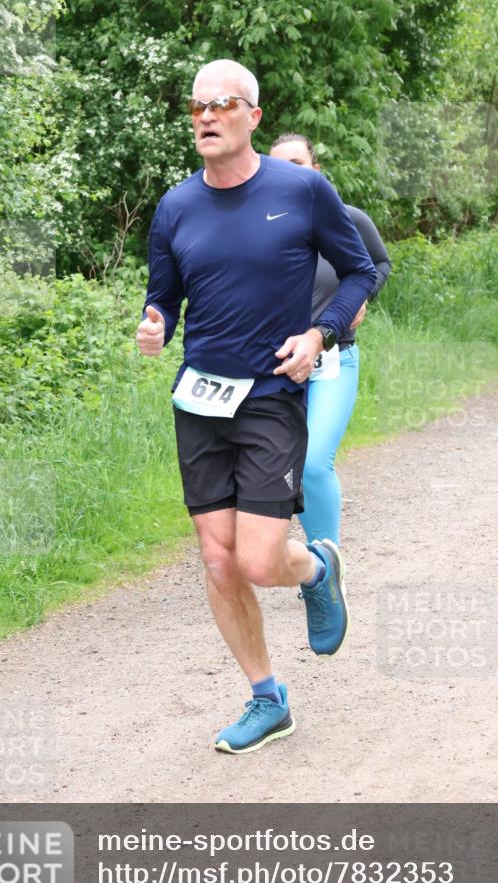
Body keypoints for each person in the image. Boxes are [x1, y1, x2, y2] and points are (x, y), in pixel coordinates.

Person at [136, 60, 376, 754]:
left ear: (253, 117)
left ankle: (318, 569)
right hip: (200, 398)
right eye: (197, 107)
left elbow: (360, 269)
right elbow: (164, 295)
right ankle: (266, 697)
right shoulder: (176, 206)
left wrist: (318, 332)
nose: (206, 116)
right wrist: (154, 322)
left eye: (222, 104)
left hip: (272, 394)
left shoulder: (302, 190)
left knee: (261, 561)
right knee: (217, 559)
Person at [269, 133, 392, 546]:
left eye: (297, 164)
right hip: (274, 365)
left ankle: (325, 568)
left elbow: (378, 263)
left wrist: (362, 297)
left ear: (315, 171)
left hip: (333, 361)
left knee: (314, 464)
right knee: (274, 470)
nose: (287, 173)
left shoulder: (347, 218)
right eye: (278, 165)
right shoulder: (259, 225)